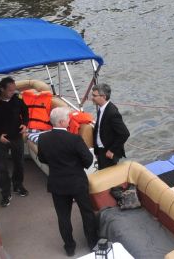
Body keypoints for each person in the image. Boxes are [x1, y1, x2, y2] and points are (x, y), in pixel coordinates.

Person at [37, 107, 99, 257]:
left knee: (63, 217)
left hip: (57, 183)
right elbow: (88, 160)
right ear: (61, 122)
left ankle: (70, 247)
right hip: (77, 182)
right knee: (87, 213)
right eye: (68, 119)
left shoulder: (43, 138)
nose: (70, 120)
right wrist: (76, 165)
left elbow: (42, 158)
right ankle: (92, 243)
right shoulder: (74, 139)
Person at [0, 76, 29, 207]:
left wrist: (25, 124)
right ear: (2, 89)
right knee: (2, 167)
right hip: (1, 139)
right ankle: (5, 192)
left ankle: (18, 185)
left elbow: (25, 112)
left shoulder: (18, 99)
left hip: (16, 137)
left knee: (19, 163)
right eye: (10, 90)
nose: (13, 92)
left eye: (14, 89)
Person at [91, 83, 129, 170]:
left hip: (108, 154)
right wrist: (97, 151)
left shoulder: (112, 113)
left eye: (94, 95)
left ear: (103, 97)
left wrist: (111, 150)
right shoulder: (101, 109)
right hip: (101, 151)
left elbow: (125, 134)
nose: (92, 98)